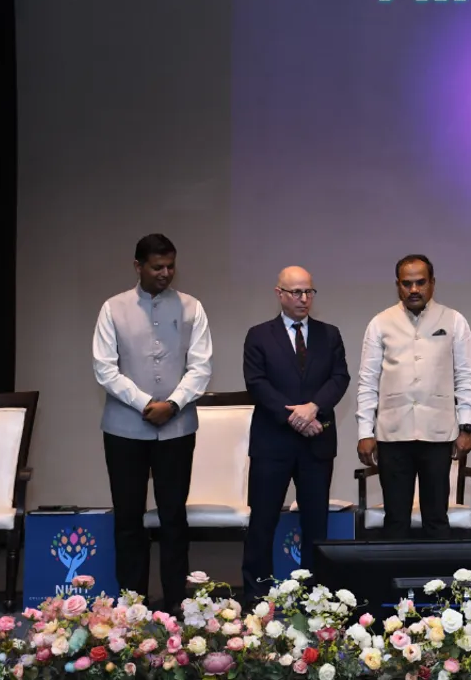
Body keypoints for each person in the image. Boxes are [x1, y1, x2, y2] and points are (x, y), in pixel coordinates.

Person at [92, 233, 212, 613]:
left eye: (170, 266)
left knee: (174, 518)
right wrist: (146, 403)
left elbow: (202, 365)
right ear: (138, 266)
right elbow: (104, 368)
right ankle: (132, 603)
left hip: (177, 428)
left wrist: (173, 403)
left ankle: (177, 601)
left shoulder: (192, 307)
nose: (165, 273)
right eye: (157, 267)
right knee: (128, 517)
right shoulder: (113, 308)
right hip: (124, 429)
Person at [241, 266, 350, 601]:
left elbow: (340, 378)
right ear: (279, 294)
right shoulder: (259, 335)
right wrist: (295, 416)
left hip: (316, 443)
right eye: (296, 292)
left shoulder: (329, 334)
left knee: (316, 525)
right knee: (263, 522)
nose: (304, 299)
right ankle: (258, 597)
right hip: (272, 443)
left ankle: (313, 597)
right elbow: (257, 383)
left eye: (309, 292)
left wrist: (313, 408)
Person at [355, 255, 471, 539]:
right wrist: (365, 431)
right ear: (397, 285)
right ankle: (392, 581)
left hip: (438, 434)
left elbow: (466, 377)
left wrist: (466, 427)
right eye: (407, 283)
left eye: (420, 282)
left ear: (432, 284)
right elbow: (367, 381)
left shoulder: (454, 320)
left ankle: (441, 583)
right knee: (395, 518)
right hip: (392, 435)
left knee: (436, 517)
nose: (414, 289)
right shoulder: (380, 323)